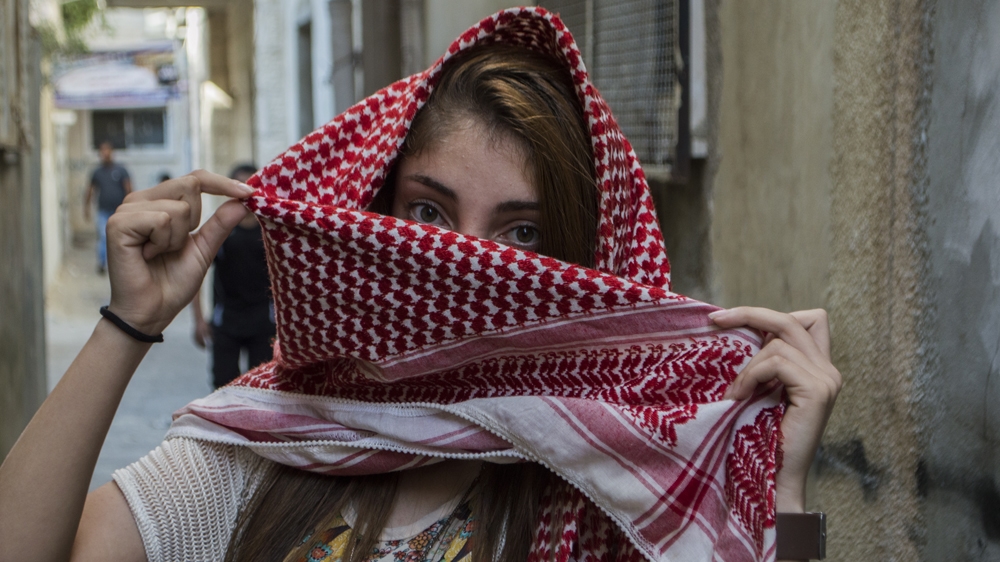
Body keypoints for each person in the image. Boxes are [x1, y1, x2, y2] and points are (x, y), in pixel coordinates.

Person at [0, 9, 839, 562]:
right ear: (375, 216)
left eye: (522, 234)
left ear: (583, 263)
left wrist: (786, 494)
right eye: (430, 217)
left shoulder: (618, 483)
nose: (466, 264)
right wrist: (127, 325)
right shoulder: (276, 453)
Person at [190, 164, 276, 389]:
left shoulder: (270, 232)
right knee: (222, 387)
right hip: (226, 320)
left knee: (262, 390)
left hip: (263, 322)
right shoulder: (221, 232)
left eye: (252, 187)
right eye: (241, 187)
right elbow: (195, 273)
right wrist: (198, 319)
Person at [84, 140, 133, 274]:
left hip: (119, 211)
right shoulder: (97, 172)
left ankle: (119, 264)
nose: (104, 153)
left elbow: (129, 188)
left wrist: (130, 207)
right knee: (103, 236)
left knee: (120, 238)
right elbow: (90, 190)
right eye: (102, 151)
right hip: (103, 211)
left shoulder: (121, 170)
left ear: (112, 152)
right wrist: (86, 207)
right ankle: (102, 263)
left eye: (107, 150)